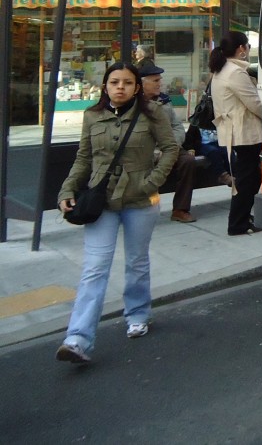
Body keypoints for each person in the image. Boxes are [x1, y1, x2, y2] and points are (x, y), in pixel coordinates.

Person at [55, 61, 179, 364]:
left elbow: (171, 148)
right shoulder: (93, 115)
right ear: (106, 86)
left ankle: (137, 313)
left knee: (136, 261)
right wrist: (67, 189)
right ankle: (77, 339)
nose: (120, 87)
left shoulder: (153, 113)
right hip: (102, 200)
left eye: (126, 82)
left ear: (136, 86)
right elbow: (83, 157)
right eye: (114, 82)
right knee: (95, 268)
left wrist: (150, 183)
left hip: (140, 199)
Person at [210, 31, 262, 236]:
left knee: (246, 177)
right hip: (245, 132)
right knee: (248, 179)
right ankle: (238, 223)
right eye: (248, 46)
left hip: (234, 132)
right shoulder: (235, 72)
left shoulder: (221, 69)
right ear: (241, 48)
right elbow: (255, 104)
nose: (248, 50)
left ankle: (240, 219)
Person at [139, 63, 197, 223]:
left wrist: (172, 147)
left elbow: (177, 126)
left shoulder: (164, 100)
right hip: (145, 150)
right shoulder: (135, 103)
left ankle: (180, 209)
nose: (160, 83)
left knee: (188, 161)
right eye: (155, 80)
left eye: (160, 80)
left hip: (169, 147)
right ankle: (142, 209)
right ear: (142, 83)